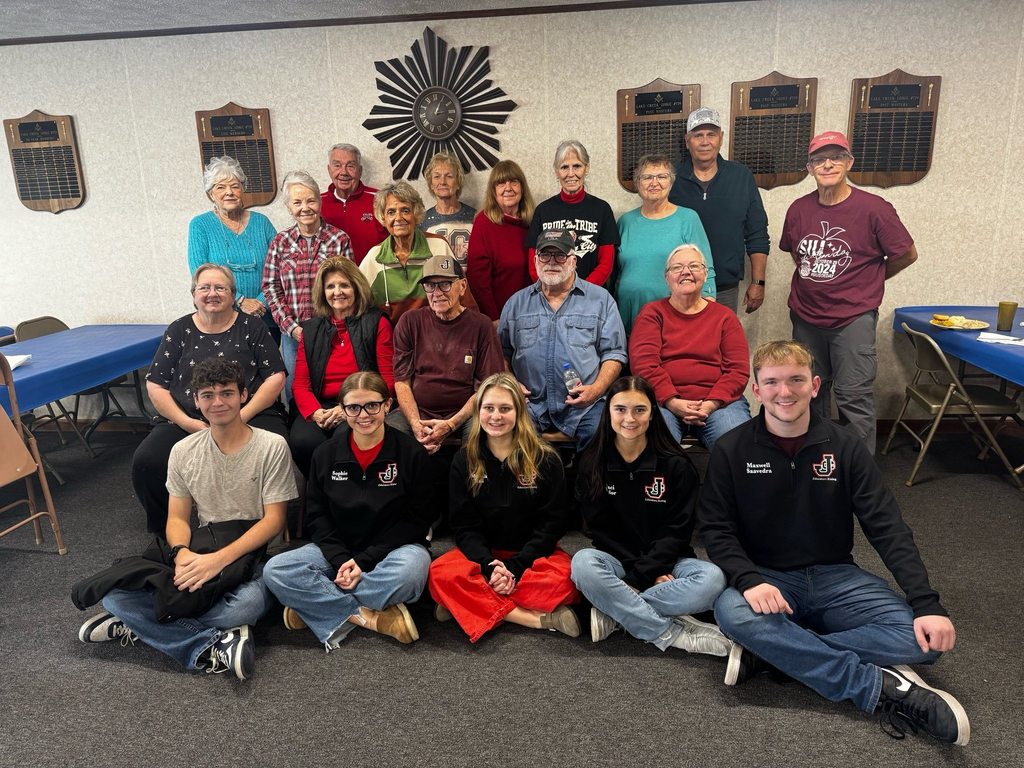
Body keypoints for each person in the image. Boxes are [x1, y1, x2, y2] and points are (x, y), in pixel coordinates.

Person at [699, 340, 969, 746]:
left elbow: (887, 526)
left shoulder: (845, 447)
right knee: (733, 614)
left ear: (815, 385)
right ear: (755, 389)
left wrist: (926, 604)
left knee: (925, 639)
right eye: (772, 382)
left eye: (796, 380)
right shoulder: (731, 449)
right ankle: (879, 689)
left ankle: (775, 654)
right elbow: (716, 530)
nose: (784, 392)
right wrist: (749, 579)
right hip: (766, 579)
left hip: (836, 577)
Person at [80, 360, 297, 680]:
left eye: (227, 393)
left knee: (245, 607)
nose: (218, 402)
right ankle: (213, 642)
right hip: (204, 547)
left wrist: (218, 561)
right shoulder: (183, 451)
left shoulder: (271, 446)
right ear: (195, 401)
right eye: (207, 395)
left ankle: (142, 626)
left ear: (244, 395)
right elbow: (177, 519)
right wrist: (182, 554)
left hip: (254, 556)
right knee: (113, 595)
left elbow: (274, 521)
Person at [263, 372, 433, 650]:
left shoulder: (411, 453)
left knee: (413, 573)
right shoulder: (325, 454)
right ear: (342, 410)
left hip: (391, 551)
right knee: (276, 570)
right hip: (338, 552)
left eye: (372, 405)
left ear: (387, 405)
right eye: (353, 407)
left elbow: (416, 520)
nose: (363, 415)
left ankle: (314, 602)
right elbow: (316, 517)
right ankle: (371, 619)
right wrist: (342, 558)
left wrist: (365, 561)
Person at [780, 131, 918, 454]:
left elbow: (907, 253)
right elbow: (797, 253)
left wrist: (871, 279)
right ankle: (816, 463)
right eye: (819, 159)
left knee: (853, 396)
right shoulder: (798, 209)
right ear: (809, 167)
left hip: (852, 318)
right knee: (810, 393)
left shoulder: (875, 209)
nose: (827, 164)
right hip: (806, 318)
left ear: (849, 162)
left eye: (836, 157)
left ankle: (857, 478)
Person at [572, 376, 731, 655]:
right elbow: (599, 531)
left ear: (652, 413)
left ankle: (615, 612)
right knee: (583, 563)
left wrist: (646, 573)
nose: (629, 419)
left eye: (639, 409)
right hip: (617, 562)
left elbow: (678, 531)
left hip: (671, 562)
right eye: (620, 409)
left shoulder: (676, 465)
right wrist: (644, 573)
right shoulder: (591, 463)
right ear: (608, 411)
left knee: (713, 579)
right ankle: (670, 632)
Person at [132, 264, 287, 533]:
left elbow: (275, 376)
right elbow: (156, 385)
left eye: (220, 288)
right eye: (204, 287)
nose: (212, 293)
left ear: (232, 294)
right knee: (147, 461)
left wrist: (242, 416)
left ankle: (264, 526)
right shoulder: (178, 330)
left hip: (249, 414)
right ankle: (164, 531)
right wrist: (188, 424)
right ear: (194, 294)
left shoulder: (252, 326)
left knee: (278, 446)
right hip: (188, 418)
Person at [429, 372, 580, 642]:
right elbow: (464, 526)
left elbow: (552, 525)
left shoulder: (546, 459)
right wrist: (489, 565)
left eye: (505, 408)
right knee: (439, 574)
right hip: (480, 556)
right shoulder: (464, 459)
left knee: (571, 580)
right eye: (488, 408)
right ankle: (535, 618)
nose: (495, 416)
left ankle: (465, 604)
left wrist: (515, 566)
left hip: (532, 557)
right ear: (478, 412)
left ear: (519, 412)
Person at [499, 230, 627, 449]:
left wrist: (596, 389)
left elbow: (614, 353)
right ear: (535, 259)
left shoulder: (600, 300)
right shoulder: (516, 304)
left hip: (585, 406)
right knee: (511, 436)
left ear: (573, 260)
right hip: (531, 404)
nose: (552, 262)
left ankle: (588, 483)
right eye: (545, 255)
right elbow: (501, 353)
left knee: (602, 435)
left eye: (560, 255)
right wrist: (511, 384)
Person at [629, 244, 751, 450]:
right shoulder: (652, 314)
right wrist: (672, 401)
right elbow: (644, 365)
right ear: (667, 278)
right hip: (663, 403)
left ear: (705, 274)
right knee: (653, 447)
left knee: (737, 448)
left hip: (719, 404)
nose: (686, 272)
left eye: (694, 266)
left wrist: (711, 404)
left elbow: (737, 370)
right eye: (677, 268)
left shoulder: (724, 317)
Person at [290, 256, 394, 476]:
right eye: (330, 286)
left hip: (362, 405)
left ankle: (347, 494)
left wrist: (347, 409)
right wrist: (316, 413)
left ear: (356, 287)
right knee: (303, 441)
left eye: (344, 285)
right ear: (322, 292)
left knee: (345, 439)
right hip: (320, 405)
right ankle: (320, 493)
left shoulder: (377, 322)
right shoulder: (310, 330)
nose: (337, 292)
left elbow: (387, 379)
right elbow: (300, 385)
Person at [392, 254, 505, 454]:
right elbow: (402, 382)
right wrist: (416, 424)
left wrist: (451, 424)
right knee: (388, 434)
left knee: (482, 437)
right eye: (430, 286)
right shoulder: (409, 321)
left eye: (445, 284)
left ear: (462, 286)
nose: (437, 293)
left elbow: (487, 388)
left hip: (467, 414)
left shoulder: (481, 326)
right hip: (417, 411)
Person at [262, 170, 354, 401]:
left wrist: (336, 325)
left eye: (311, 200)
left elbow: (350, 287)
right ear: (288, 208)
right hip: (294, 335)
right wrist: (291, 328)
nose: (305, 207)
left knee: (338, 394)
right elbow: (271, 288)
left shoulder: (339, 239)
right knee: (297, 396)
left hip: (334, 333)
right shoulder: (280, 243)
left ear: (320, 202)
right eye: (297, 202)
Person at [669, 107, 769, 314]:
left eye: (711, 134)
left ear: (721, 138)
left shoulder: (741, 177)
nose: (705, 142)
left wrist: (758, 282)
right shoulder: (671, 179)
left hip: (725, 287)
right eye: (698, 135)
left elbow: (757, 234)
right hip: (678, 285)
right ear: (687, 140)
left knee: (720, 344)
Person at [615, 153, 715, 334]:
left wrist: (708, 302)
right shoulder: (625, 222)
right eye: (647, 177)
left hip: (673, 314)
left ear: (671, 182)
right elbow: (616, 271)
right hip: (628, 313)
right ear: (638, 183)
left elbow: (705, 266)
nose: (654, 183)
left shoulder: (688, 218)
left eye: (662, 177)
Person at [187, 156, 279, 341]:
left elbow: (281, 269)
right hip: (222, 318)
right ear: (211, 194)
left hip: (266, 317)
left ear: (242, 190)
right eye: (221, 187)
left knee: (269, 369)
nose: (229, 192)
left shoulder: (262, 223)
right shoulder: (200, 225)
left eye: (235, 186)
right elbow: (201, 274)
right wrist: (241, 301)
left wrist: (261, 302)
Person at [360, 180, 478, 323]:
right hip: (392, 340)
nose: (398, 218)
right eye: (391, 212)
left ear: (415, 214)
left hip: (437, 336)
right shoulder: (374, 257)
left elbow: (463, 297)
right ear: (383, 218)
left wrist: (474, 331)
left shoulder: (438, 246)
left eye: (405, 210)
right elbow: (358, 307)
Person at [527, 140, 619, 286]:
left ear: (586, 168)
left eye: (577, 166)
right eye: (564, 167)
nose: (571, 174)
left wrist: (581, 292)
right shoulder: (543, 211)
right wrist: (554, 292)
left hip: (590, 296)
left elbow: (606, 264)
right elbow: (534, 264)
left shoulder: (602, 209)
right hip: (551, 295)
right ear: (556, 171)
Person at [466, 160, 535, 321]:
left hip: (531, 316)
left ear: (522, 188)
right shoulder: (483, 223)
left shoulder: (532, 223)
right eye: (501, 183)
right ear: (493, 191)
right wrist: (493, 318)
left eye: (514, 182)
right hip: (499, 319)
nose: (508, 188)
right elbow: (478, 281)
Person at [319, 143, 388, 264]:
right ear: (329, 170)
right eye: (337, 165)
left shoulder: (380, 199)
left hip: (374, 276)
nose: (344, 172)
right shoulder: (317, 203)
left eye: (350, 166)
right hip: (334, 279)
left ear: (360, 171)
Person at [420, 152, 477, 262]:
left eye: (449, 176)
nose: (442, 182)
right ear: (431, 184)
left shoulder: (476, 218)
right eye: (437, 176)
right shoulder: (421, 221)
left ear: (458, 182)